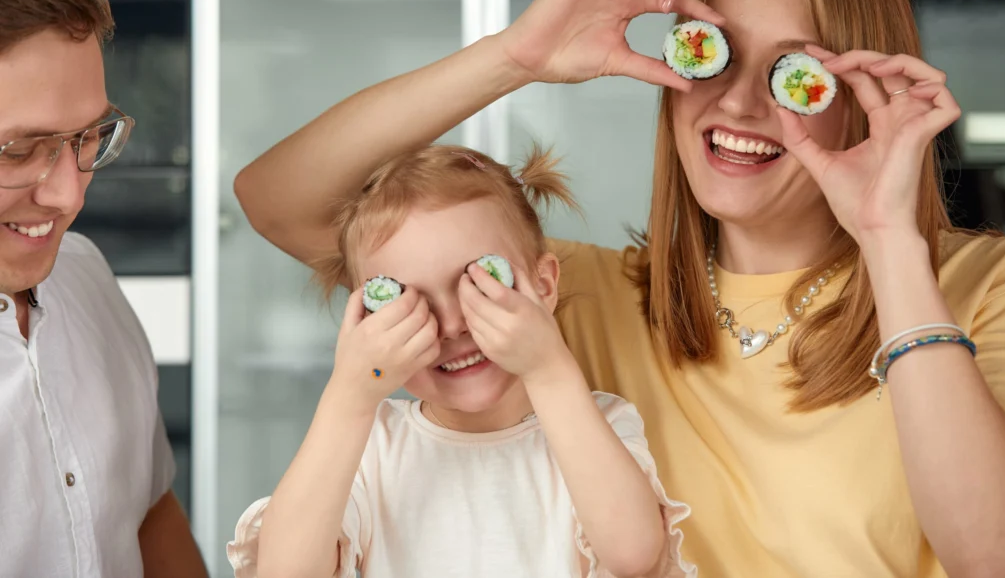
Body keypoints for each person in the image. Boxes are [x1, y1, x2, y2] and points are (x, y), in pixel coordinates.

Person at [232, 0, 1005, 578]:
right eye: (709, 51)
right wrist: (517, 59)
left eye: (797, 76)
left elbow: (999, 559)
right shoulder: (568, 297)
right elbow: (278, 201)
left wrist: (886, 239)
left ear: (861, 92)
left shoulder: (987, 286)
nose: (740, 102)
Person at [226, 145, 695, 578]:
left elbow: (634, 555)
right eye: (407, 303)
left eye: (480, 281)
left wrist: (547, 367)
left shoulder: (600, 425)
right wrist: (349, 397)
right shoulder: (371, 446)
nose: (451, 325)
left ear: (544, 287)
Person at [0, 0, 207, 578]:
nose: (69, 196)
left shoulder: (84, 274)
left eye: (88, 137)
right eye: (18, 150)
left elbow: (148, 514)